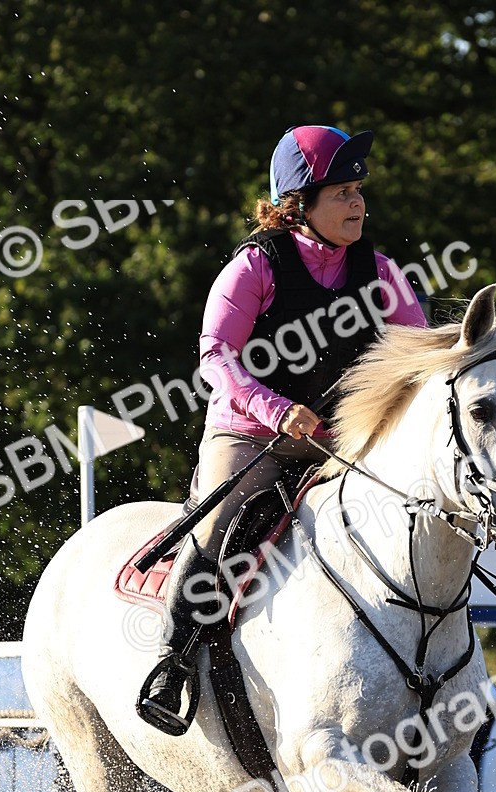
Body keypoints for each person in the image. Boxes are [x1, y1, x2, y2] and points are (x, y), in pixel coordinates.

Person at [138, 124, 428, 734]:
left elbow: (421, 355)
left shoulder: (379, 271)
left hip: (341, 443)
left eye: (358, 192)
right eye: (343, 192)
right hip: (251, 436)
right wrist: (277, 411)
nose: (358, 204)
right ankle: (174, 663)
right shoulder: (254, 267)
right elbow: (215, 356)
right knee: (217, 528)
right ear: (300, 204)